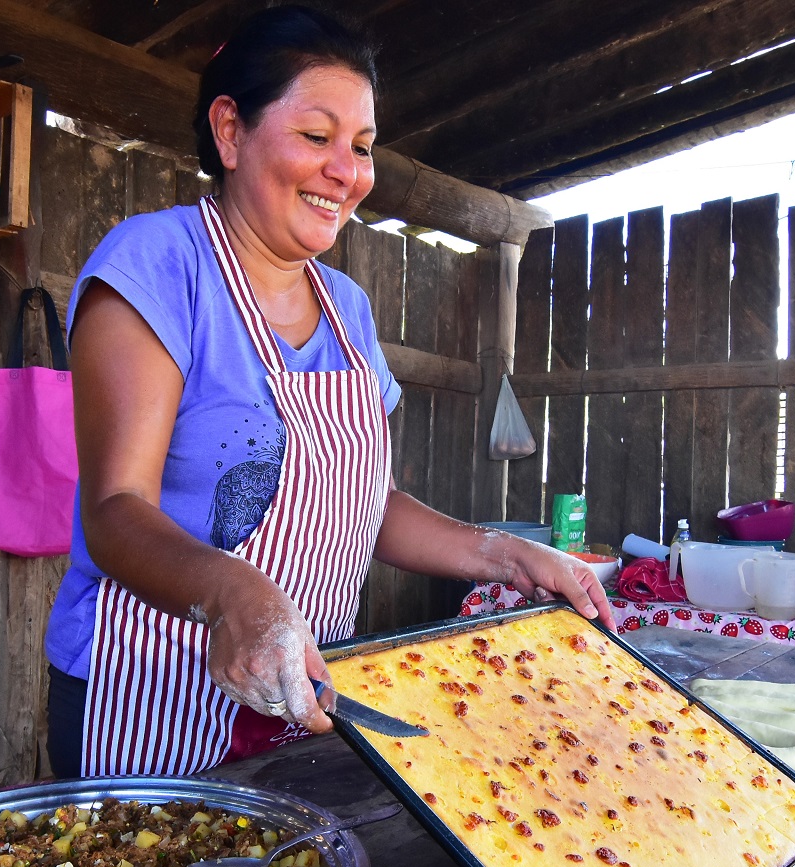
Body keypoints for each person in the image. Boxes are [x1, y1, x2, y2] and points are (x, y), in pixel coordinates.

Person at [47, 5, 610, 779]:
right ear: (230, 130)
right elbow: (115, 514)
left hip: (296, 694)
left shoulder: (347, 309)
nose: (348, 172)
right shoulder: (158, 266)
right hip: (148, 688)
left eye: (362, 146)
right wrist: (234, 595)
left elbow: (364, 505)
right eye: (317, 137)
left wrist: (504, 554)